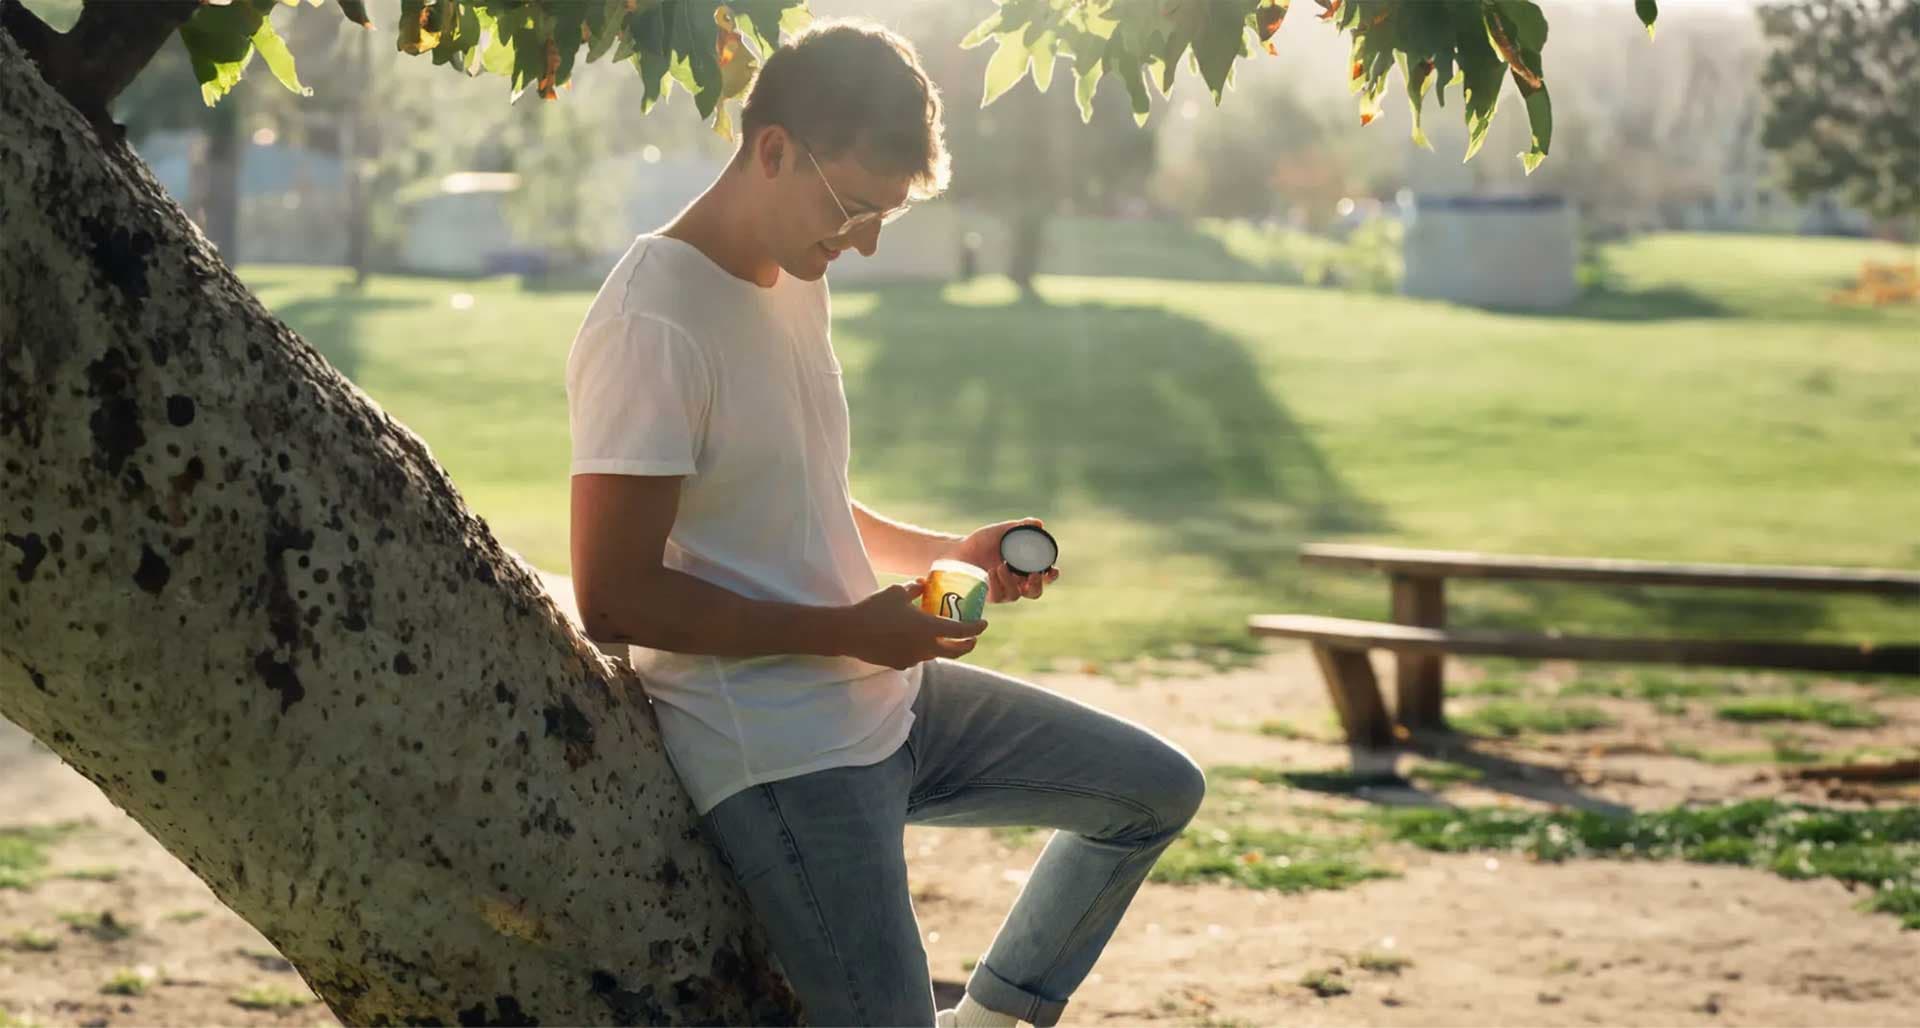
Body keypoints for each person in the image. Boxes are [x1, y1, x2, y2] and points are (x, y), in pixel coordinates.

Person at [565, 20, 1205, 1028]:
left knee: (1155, 790)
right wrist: (854, 628)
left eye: (883, 217)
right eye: (853, 204)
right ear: (771, 148)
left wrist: (945, 554)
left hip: (885, 696)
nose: (862, 238)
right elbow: (615, 595)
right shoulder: (654, 320)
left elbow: (799, 496)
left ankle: (992, 1019)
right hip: (780, 754)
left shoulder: (790, 274)